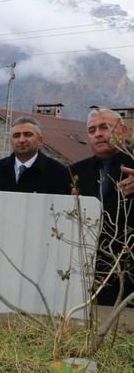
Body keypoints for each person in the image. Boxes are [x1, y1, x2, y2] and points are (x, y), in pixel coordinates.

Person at [71, 108, 134, 306]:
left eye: (104, 127)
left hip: (129, 269)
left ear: (123, 131)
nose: (98, 134)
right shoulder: (75, 173)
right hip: (86, 268)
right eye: (92, 130)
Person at [0, 116, 71, 217]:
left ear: (40, 140)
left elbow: (64, 212)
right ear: (11, 141)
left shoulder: (57, 171)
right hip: (3, 230)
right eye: (16, 135)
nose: (21, 140)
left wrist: (40, 205)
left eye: (28, 134)